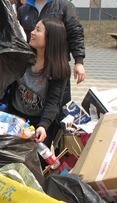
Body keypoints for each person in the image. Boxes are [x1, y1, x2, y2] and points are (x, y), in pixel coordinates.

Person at [17, 0, 86, 104]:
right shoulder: (24, 10)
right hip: (32, 68)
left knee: (58, 104)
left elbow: (75, 34)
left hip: (57, 66)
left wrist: (79, 62)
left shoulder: (64, 7)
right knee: (32, 104)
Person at [4, 18, 70, 146]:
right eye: (34, 28)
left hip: (39, 125)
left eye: (38, 30)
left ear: (50, 38)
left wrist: (43, 125)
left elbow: (53, 102)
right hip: (14, 120)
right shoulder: (23, 58)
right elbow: (5, 82)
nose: (32, 32)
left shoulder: (59, 70)